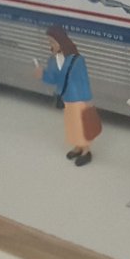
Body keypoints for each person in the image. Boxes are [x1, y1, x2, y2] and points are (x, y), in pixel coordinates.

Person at [36, 25, 95, 166]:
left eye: (53, 42)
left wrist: (87, 99)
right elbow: (53, 79)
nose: (51, 45)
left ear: (61, 41)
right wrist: (42, 75)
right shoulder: (53, 60)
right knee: (71, 123)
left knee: (81, 123)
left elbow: (84, 80)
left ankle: (86, 150)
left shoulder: (77, 60)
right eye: (50, 42)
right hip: (65, 97)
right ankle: (78, 146)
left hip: (78, 97)